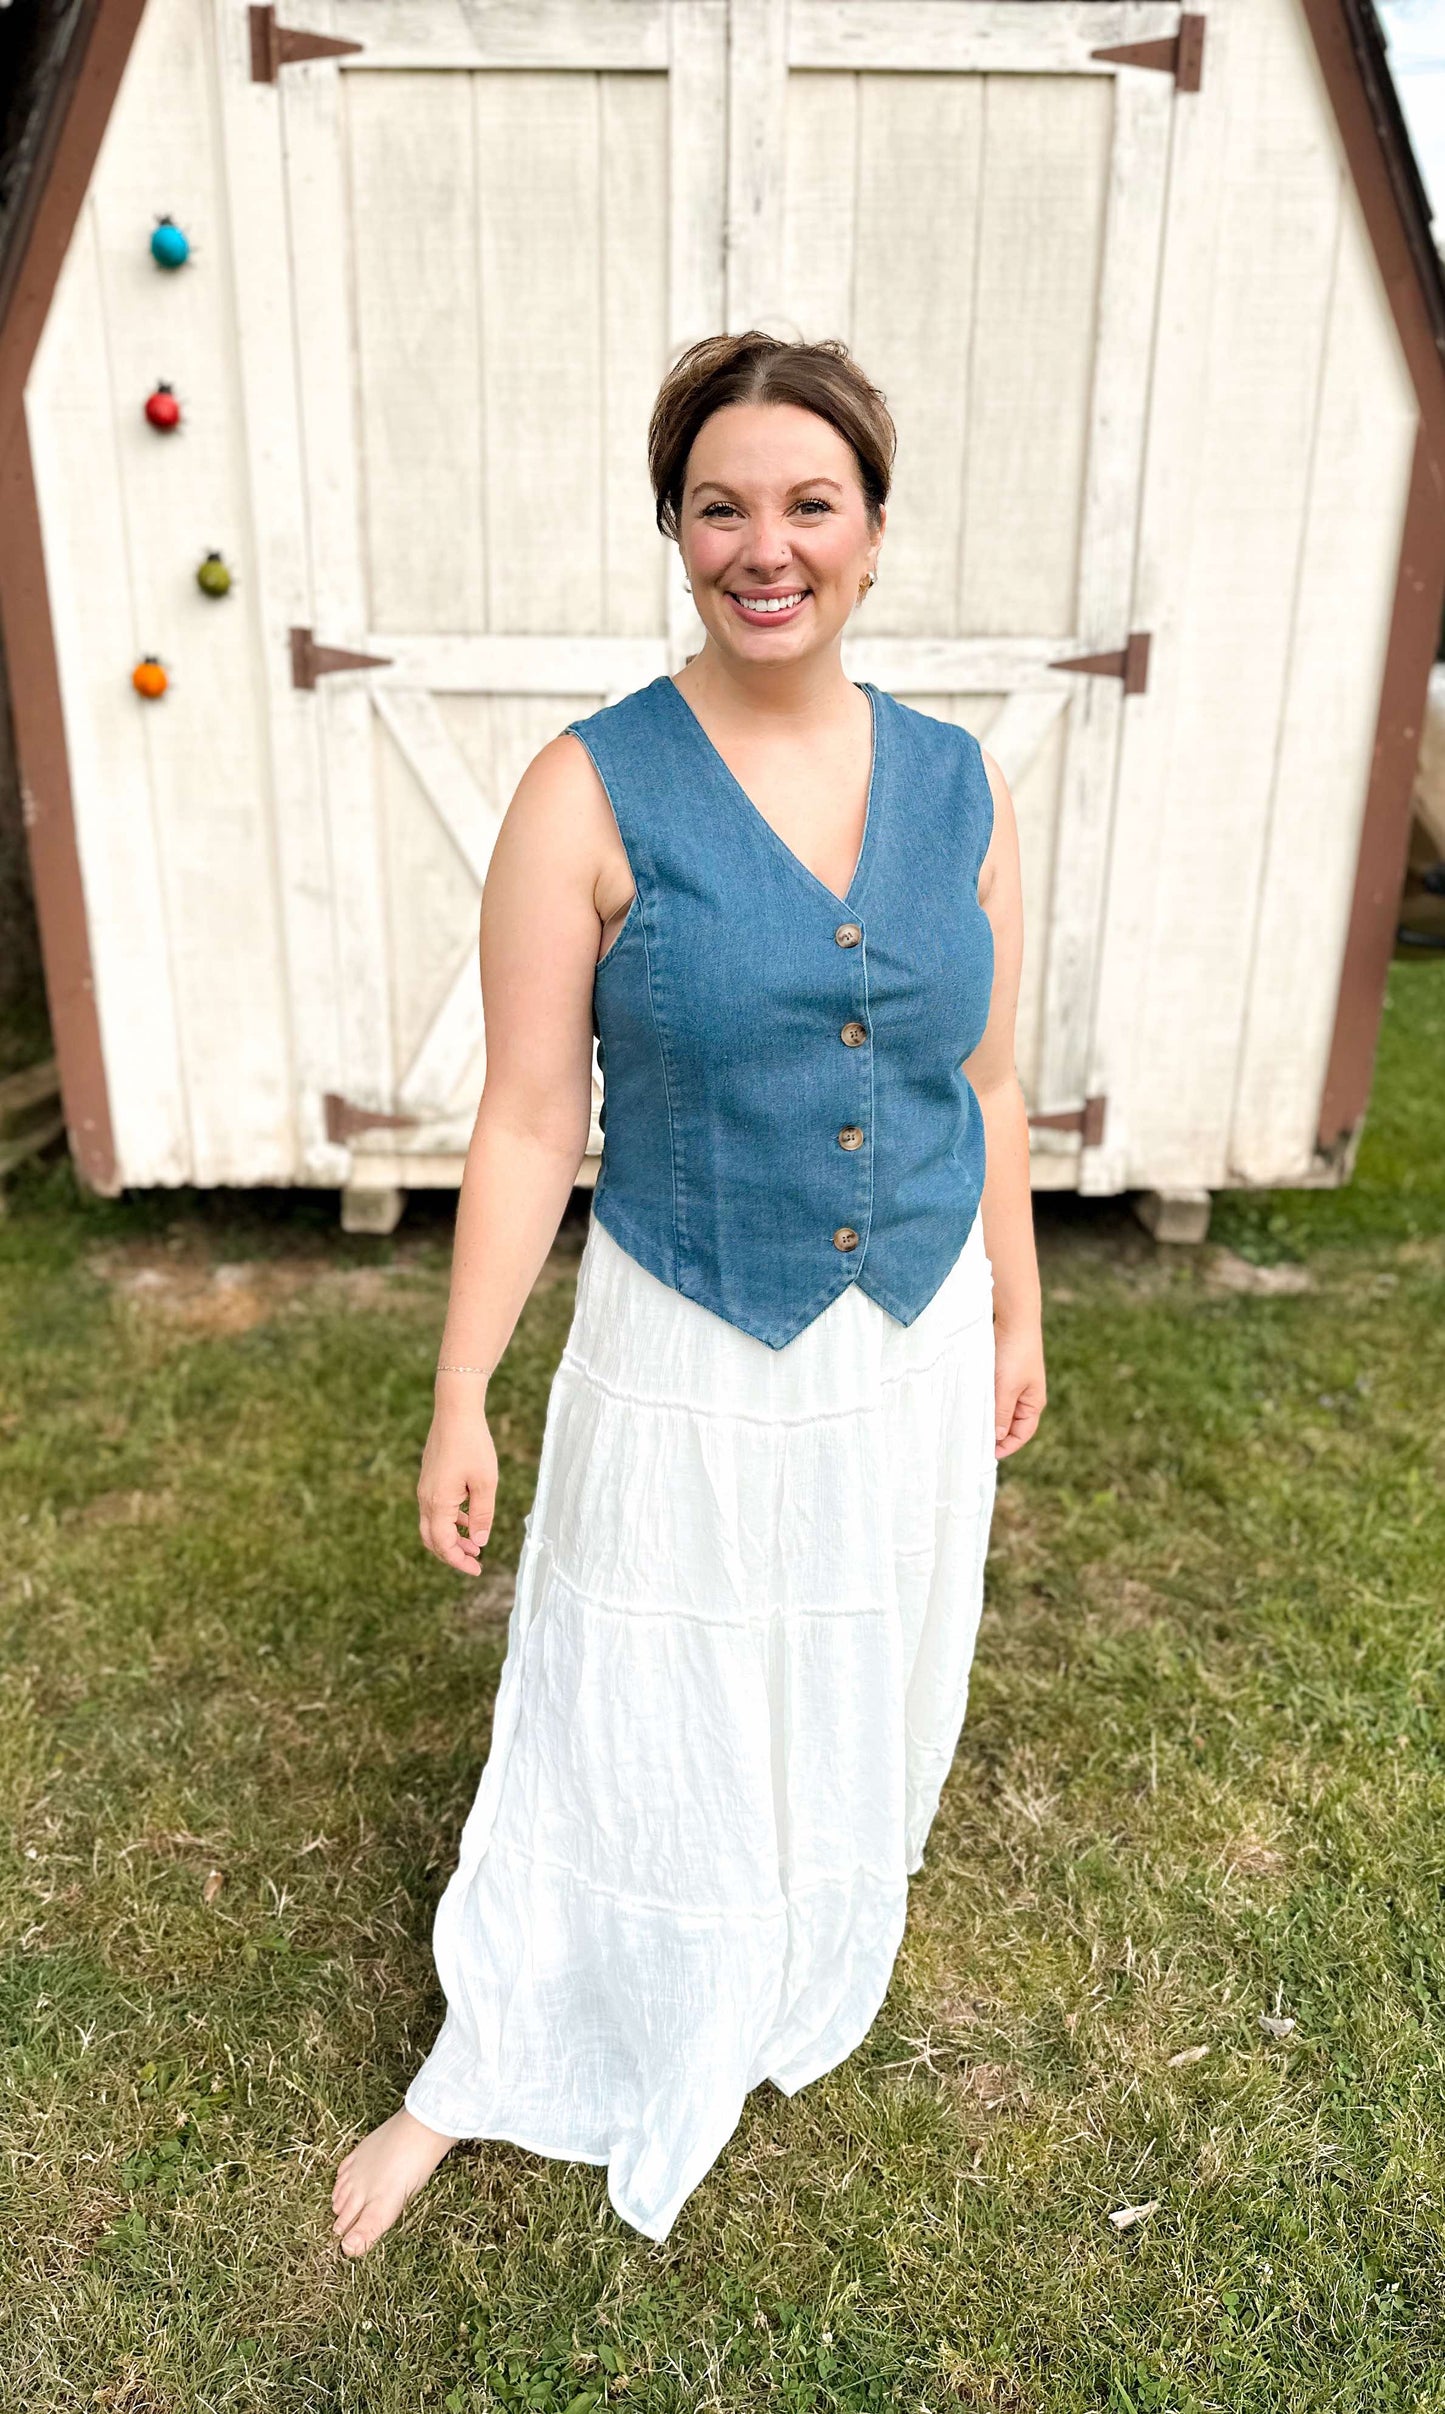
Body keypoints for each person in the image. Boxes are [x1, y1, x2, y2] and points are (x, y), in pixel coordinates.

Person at [330, 331, 1046, 2256]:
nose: (766, 544)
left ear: (874, 535)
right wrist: (463, 1385)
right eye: (721, 504)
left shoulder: (958, 782)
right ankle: (531, 2031)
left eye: (809, 503)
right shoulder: (586, 790)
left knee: (849, 1642)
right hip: (688, 1331)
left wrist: (1016, 1309)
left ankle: (799, 1914)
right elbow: (523, 1119)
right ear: (674, 529)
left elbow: (979, 1075)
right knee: (643, 1673)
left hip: (902, 1329)